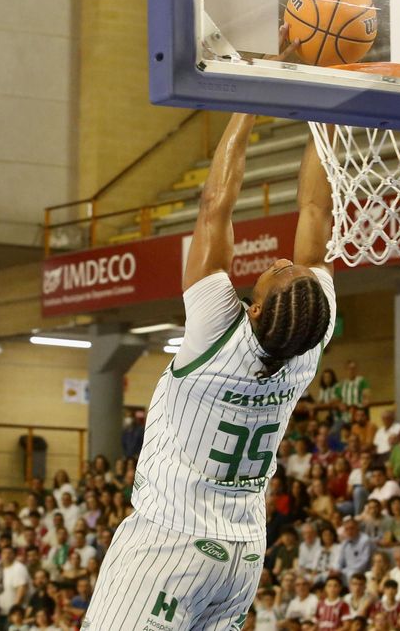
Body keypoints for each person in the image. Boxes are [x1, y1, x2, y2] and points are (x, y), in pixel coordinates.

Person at [84, 92, 338, 629]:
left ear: (259, 307)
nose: (282, 261)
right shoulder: (309, 335)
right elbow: (317, 210)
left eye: (280, 270)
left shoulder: (216, 331)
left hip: (169, 545)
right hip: (241, 555)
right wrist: (325, 106)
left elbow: (214, 206)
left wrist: (251, 102)